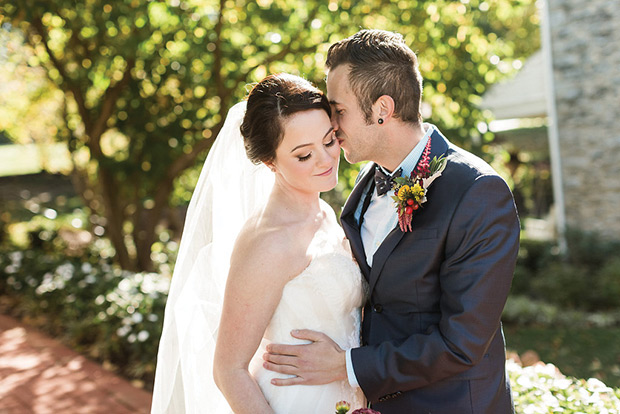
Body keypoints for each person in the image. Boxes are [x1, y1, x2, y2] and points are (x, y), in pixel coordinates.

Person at [263, 29, 521, 413]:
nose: (331, 126)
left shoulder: (478, 192)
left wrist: (347, 366)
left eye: (339, 110)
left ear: (382, 109)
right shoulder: (365, 185)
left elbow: (462, 343)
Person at [150, 73, 365, 413]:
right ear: (270, 163)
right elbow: (228, 370)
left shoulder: (322, 211)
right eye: (304, 155)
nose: (326, 160)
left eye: (329, 141)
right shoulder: (269, 243)